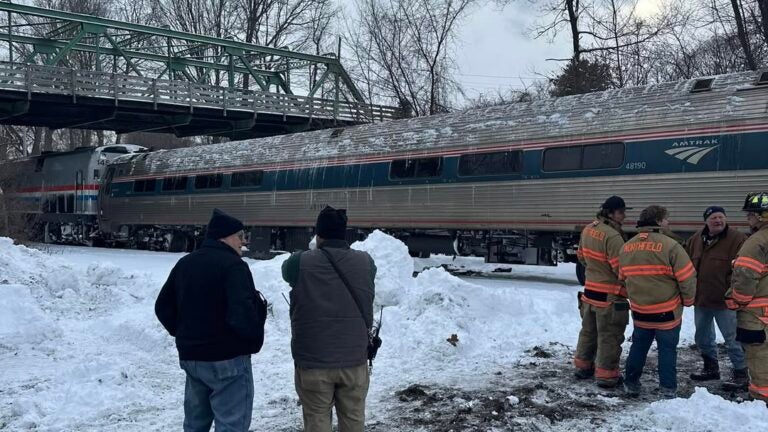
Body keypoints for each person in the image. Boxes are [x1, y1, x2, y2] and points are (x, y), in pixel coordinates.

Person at [155, 208, 268, 432]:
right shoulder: (234, 266)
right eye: (239, 236)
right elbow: (242, 314)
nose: (242, 243)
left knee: (195, 425)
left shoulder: (186, 263)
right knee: (231, 425)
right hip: (227, 360)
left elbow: (163, 307)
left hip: (193, 359)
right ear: (224, 237)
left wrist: (186, 334)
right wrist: (251, 341)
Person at [282, 206, 376, 432]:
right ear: (345, 233)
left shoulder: (298, 263)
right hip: (354, 359)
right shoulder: (367, 262)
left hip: (313, 361)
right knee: (354, 419)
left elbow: (287, 273)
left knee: (316, 420)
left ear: (318, 234)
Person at [619, 205, 697, 399]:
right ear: (659, 222)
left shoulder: (626, 247)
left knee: (638, 347)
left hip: (640, 310)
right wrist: (688, 300)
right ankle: (668, 389)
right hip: (667, 311)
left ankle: (631, 383)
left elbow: (622, 276)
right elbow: (687, 277)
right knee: (667, 350)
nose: (668, 223)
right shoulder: (671, 246)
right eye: (666, 219)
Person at [573, 195, 631, 388]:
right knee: (609, 336)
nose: (624, 217)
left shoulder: (589, 229)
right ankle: (606, 375)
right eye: (621, 212)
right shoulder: (613, 237)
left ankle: (582, 366)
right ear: (611, 213)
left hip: (590, 293)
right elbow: (621, 270)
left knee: (588, 332)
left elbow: (581, 257)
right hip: (610, 297)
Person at [685, 206, 747, 383]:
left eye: (721, 217)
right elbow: (686, 264)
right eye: (713, 218)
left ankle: (741, 373)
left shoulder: (737, 239)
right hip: (702, 299)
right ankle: (711, 368)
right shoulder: (696, 239)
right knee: (703, 337)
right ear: (706, 220)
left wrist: (732, 291)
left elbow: (741, 269)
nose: (718, 220)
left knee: (733, 338)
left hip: (726, 300)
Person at [725, 192, 768, 402]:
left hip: (757, 314)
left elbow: (745, 274)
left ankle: (761, 397)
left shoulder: (756, 241)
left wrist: (738, 299)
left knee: (758, 354)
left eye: (750, 215)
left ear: (760, 216)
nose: (747, 219)